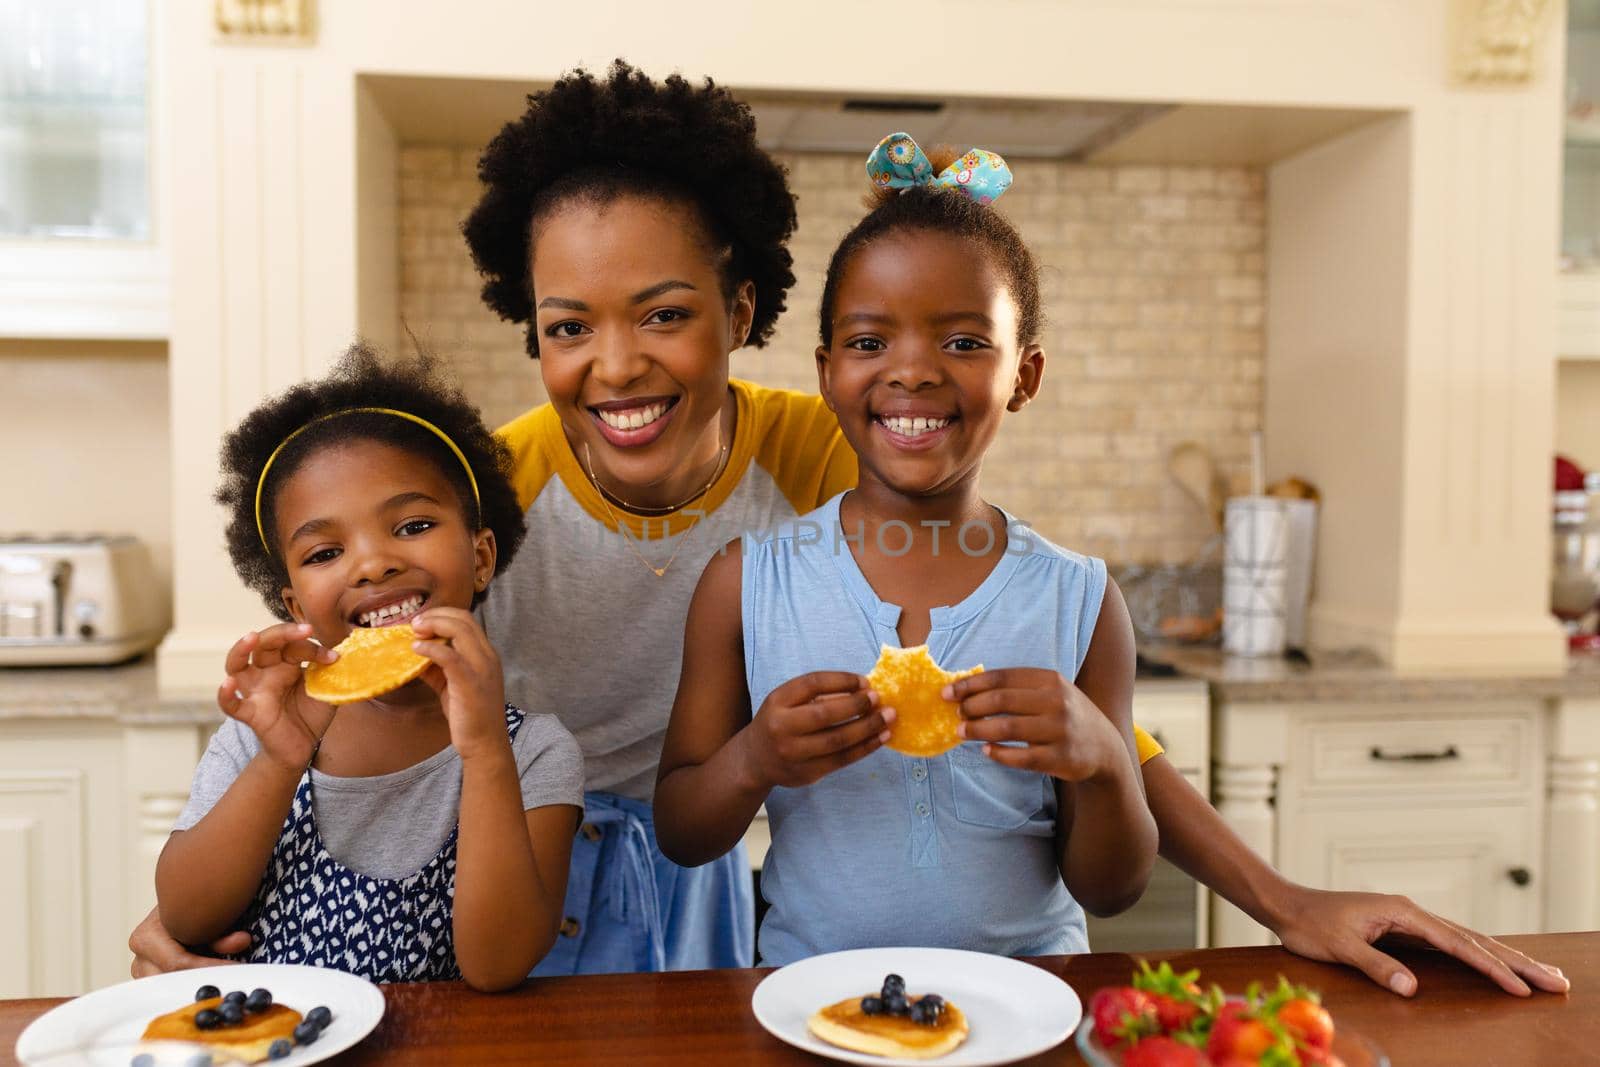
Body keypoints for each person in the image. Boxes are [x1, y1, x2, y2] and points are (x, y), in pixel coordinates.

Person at [129, 61, 1567, 998]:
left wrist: (1279, 894)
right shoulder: (476, 498)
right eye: (570, 327)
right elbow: (343, 692)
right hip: (517, 885)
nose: (616, 366)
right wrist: (194, 936)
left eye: (667, 314)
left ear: (747, 316)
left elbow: (1086, 708)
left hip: (715, 900)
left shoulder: (827, 452)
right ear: (533, 332)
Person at [655, 134, 1159, 964]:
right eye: (868, 341)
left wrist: (1104, 761)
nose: (914, 371)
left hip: (1025, 1006)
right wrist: (753, 759)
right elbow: (681, 829)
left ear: (1024, 377)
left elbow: (1114, 888)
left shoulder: (1080, 599)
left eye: (963, 342)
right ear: (826, 371)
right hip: (812, 1004)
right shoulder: (747, 582)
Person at [153, 345, 582, 990]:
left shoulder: (531, 750)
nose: (372, 563)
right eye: (325, 551)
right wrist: (279, 758)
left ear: (482, 556)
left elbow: (498, 966)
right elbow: (186, 917)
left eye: (411, 524)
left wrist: (486, 750)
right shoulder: (263, 735)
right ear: (295, 604)